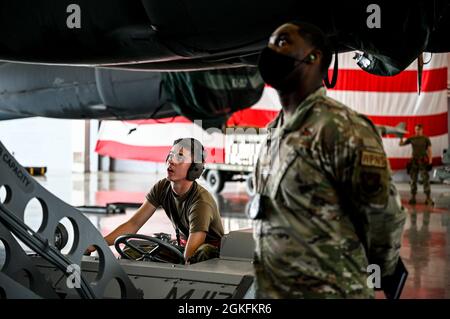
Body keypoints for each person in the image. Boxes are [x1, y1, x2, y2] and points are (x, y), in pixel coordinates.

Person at [251, 21, 406, 298]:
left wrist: (381, 270)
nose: (271, 50)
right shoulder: (274, 132)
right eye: (271, 43)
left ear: (314, 57)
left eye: (283, 42)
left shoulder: (339, 127)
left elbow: (383, 214)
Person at [86, 138, 224, 264]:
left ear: (195, 168)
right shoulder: (162, 187)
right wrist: (98, 243)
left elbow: (190, 256)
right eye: (171, 155)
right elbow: (134, 223)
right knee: (131, 252)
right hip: (183, 247)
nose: (171, 160)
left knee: (201, 254)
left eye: (180, 157)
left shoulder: (200, 203)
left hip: (208, 254)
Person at [399, 124, 433, 205]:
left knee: (425, 180)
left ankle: (428, 198)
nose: (417, 131)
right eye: (416, 129)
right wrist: (400, 137)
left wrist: (430, 161)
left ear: (422, 130)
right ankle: (413, 197)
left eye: (419, 129)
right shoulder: (412, 138)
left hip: (423, 161)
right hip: (414, 162)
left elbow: (429, 150)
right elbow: (401, 144)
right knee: (413, 180)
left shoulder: (426, 138)